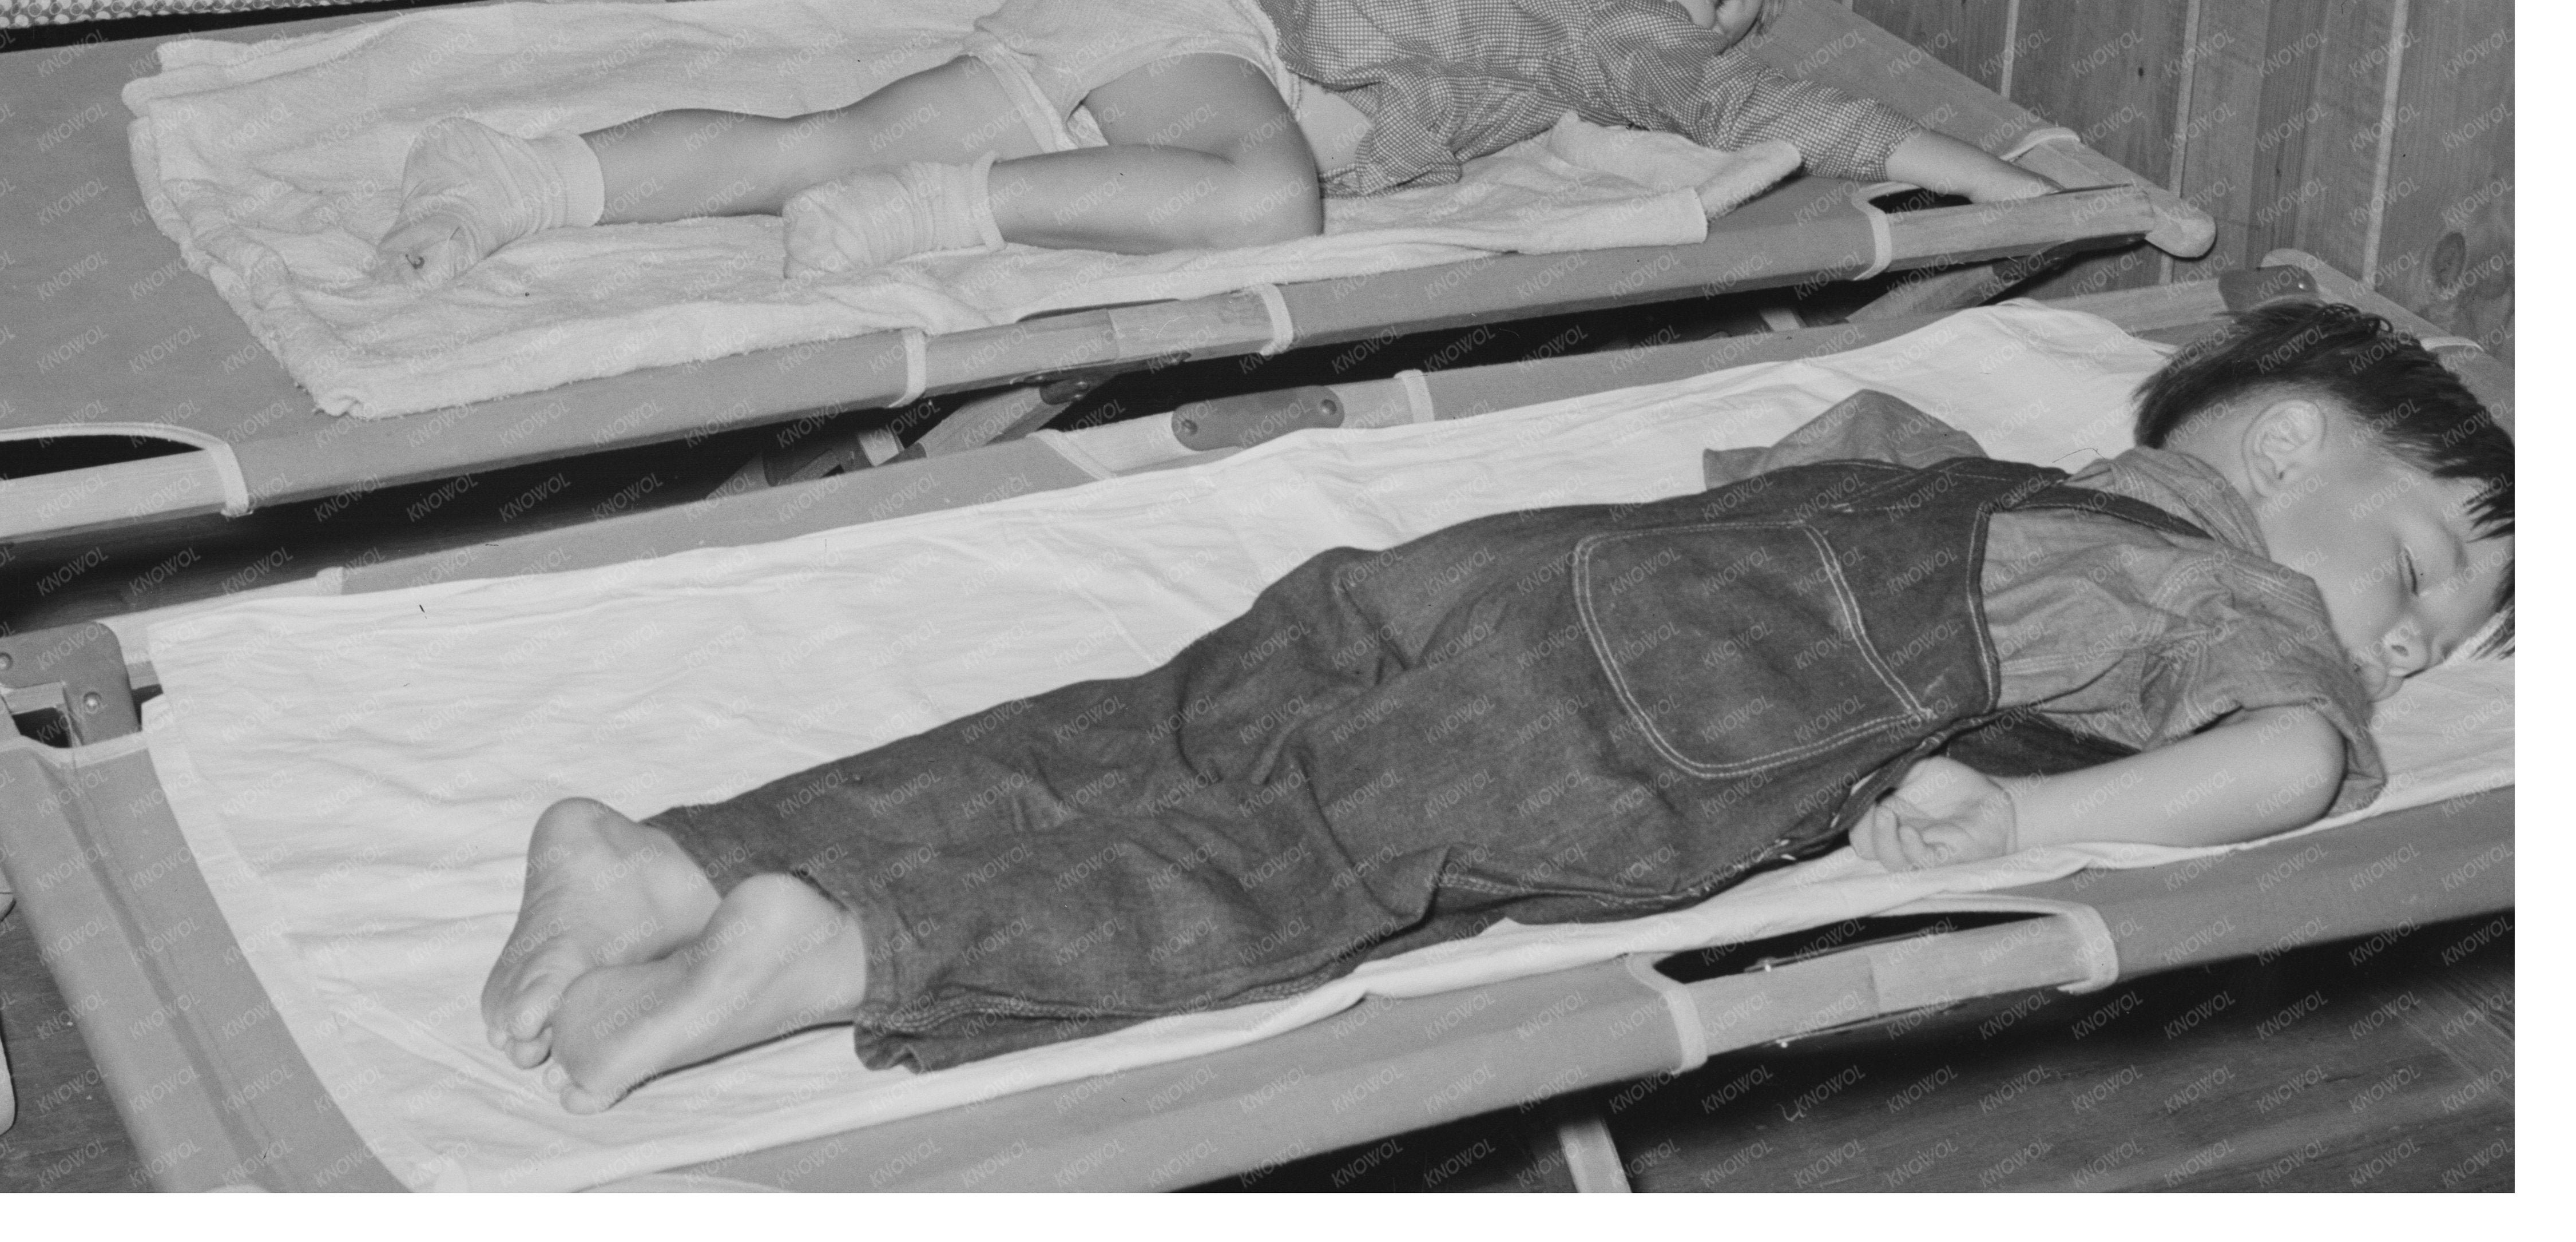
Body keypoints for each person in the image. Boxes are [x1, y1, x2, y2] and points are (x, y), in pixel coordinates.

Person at [479, 301, 2513, 1109]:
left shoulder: (1977, 458)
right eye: (2423, 572)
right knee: (1287, 861)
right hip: (1679, 703)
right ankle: (825, 944)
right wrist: (2046, 823)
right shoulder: (2238, 593)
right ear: (2278, 452)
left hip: (1532, 568)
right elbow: (2292, 761)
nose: (2405, 647)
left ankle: (672, 855)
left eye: (2444, 645)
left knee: (1151, 728)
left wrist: (1988, 742)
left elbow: (1799, 485)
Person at [358, 0, 2061, 285]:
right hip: (1218, 15)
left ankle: (514, 183)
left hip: (1136, 28)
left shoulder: (1517, 1)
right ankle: (949, 213)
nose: (1708, 25)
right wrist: (1946, 162)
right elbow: (1727, 94)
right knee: (1261, 207)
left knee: (814, 141)